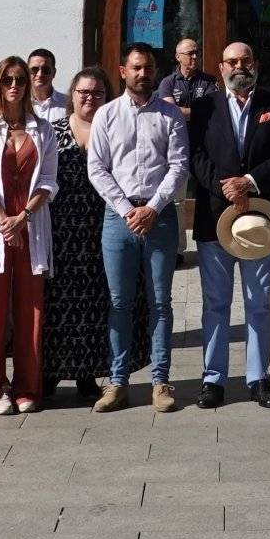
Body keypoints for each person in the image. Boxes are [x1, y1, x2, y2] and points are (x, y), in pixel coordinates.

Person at [190, 39, 270, 410]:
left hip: (260, 219)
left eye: (245, 60)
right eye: (231, 61)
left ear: (256, 65)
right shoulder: (203, 108)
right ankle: (213, 379)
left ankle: (258, 377)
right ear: (220, 68)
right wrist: (226, 186)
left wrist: (247, 182)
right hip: (215, 218)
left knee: (259, 303)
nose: (239, 66)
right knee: (215, 303)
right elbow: (195, 156)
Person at [91, 42, 188, 413]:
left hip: (159, 216)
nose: (142, 74)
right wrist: (126, 208)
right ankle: (117, 383)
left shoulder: (170, 116)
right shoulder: (106, 115)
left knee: (160, 302)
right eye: (135, 68)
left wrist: (151, 207)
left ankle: (160, 382)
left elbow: (178, 166)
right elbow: (97, 168)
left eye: (148, 68)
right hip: (118, 218)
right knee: (119, 303)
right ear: (122, 71)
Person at [0, 56, 58, 415]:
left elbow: (49, 182)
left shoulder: (44, 129)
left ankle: (26, 388)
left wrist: (23, 218)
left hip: (31, 227)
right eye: (8, 79)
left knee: (30, 313)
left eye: (20, 79)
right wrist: (6, 221)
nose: (15, 85)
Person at [41, 66, 115, 403]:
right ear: (72, 95)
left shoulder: (113, 130)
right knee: (56, 305)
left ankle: (87, 375)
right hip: (59, 232)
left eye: (97, 93)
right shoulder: (51, 132)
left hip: (101, 230)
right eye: (83, 92)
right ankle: (51, 374)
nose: (89, 98)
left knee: (95, 306)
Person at [154, 35, 219, 113]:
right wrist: (198, 113)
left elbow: (210, 110)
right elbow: (169, 112)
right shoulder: (168, 82)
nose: (195, 56)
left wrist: (180, 111)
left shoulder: (210, 81)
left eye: (197, 52)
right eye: (190, 53)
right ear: (178, 57)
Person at [26, 49, 71, 132]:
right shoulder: (20, 104)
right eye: (34, 69)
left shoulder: (68, 104)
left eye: (46, 70)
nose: (40, 74)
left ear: (54, 73)